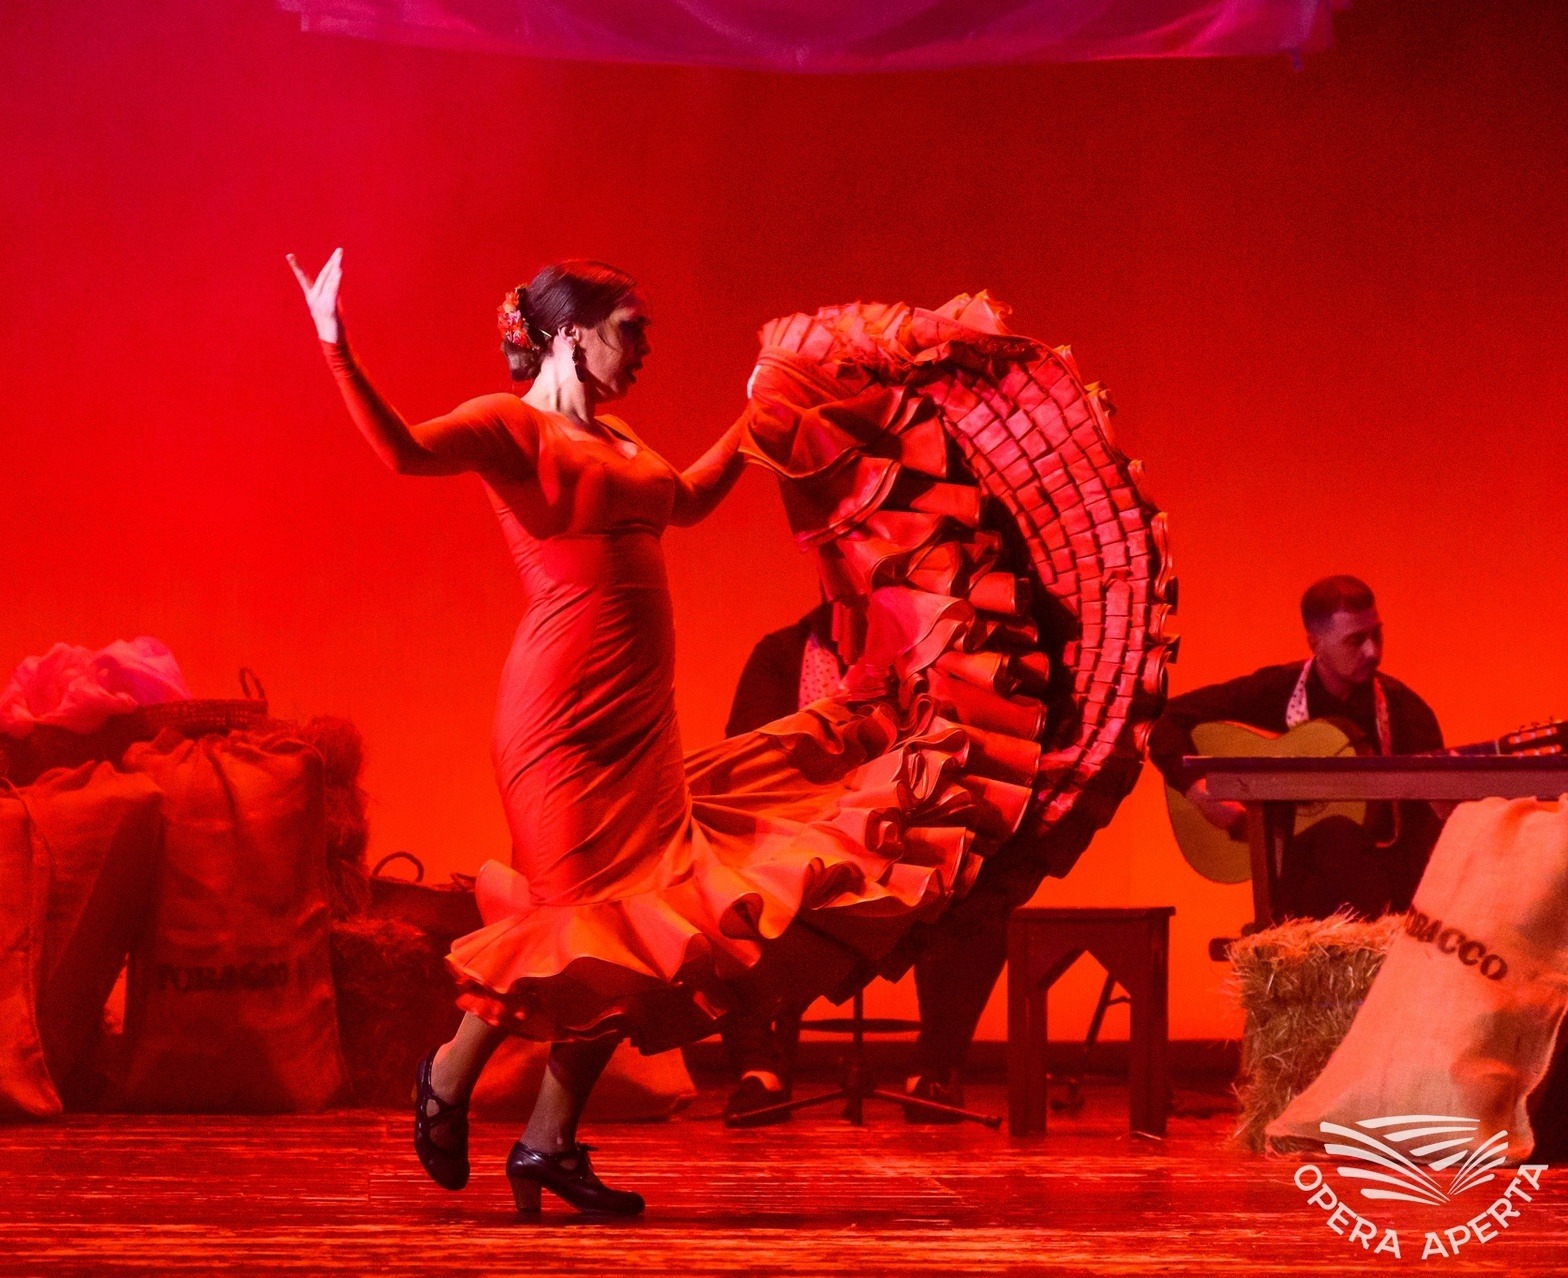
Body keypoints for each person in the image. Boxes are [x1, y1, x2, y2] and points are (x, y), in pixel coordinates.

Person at [288, 249, 1007, 1216]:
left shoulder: (622, 439)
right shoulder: (512, 424)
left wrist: (759, 415)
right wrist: (335, 344)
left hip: (638, 718)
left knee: (634, 933)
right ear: (570, 333)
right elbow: (405, 452)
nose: (645, 350)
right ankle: (449, 1076)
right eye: (631, 330)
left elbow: (691, 499)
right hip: (559, 717)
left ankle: (547, 1142)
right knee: (576, 920)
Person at [717, 604, 1048, 1125]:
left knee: (980, 892)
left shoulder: (938, 652)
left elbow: (971, 748)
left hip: (908, 832)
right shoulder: (783, 654)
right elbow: (746, 755)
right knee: (727, 891)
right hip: (803, 831)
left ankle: (936, 1067)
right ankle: (758, 1069)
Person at [1147, 575, 1444, 919]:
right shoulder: (1277, 690)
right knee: (1333, 835)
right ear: (1315, 643)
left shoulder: (1407, 713)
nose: (1372, 651)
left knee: (1339, 836)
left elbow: (1430, 834)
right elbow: (1162, 718)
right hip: (1299, 887)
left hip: (1383, 889)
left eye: (1376, 634)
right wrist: (1196, 788)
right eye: (1355, 640)